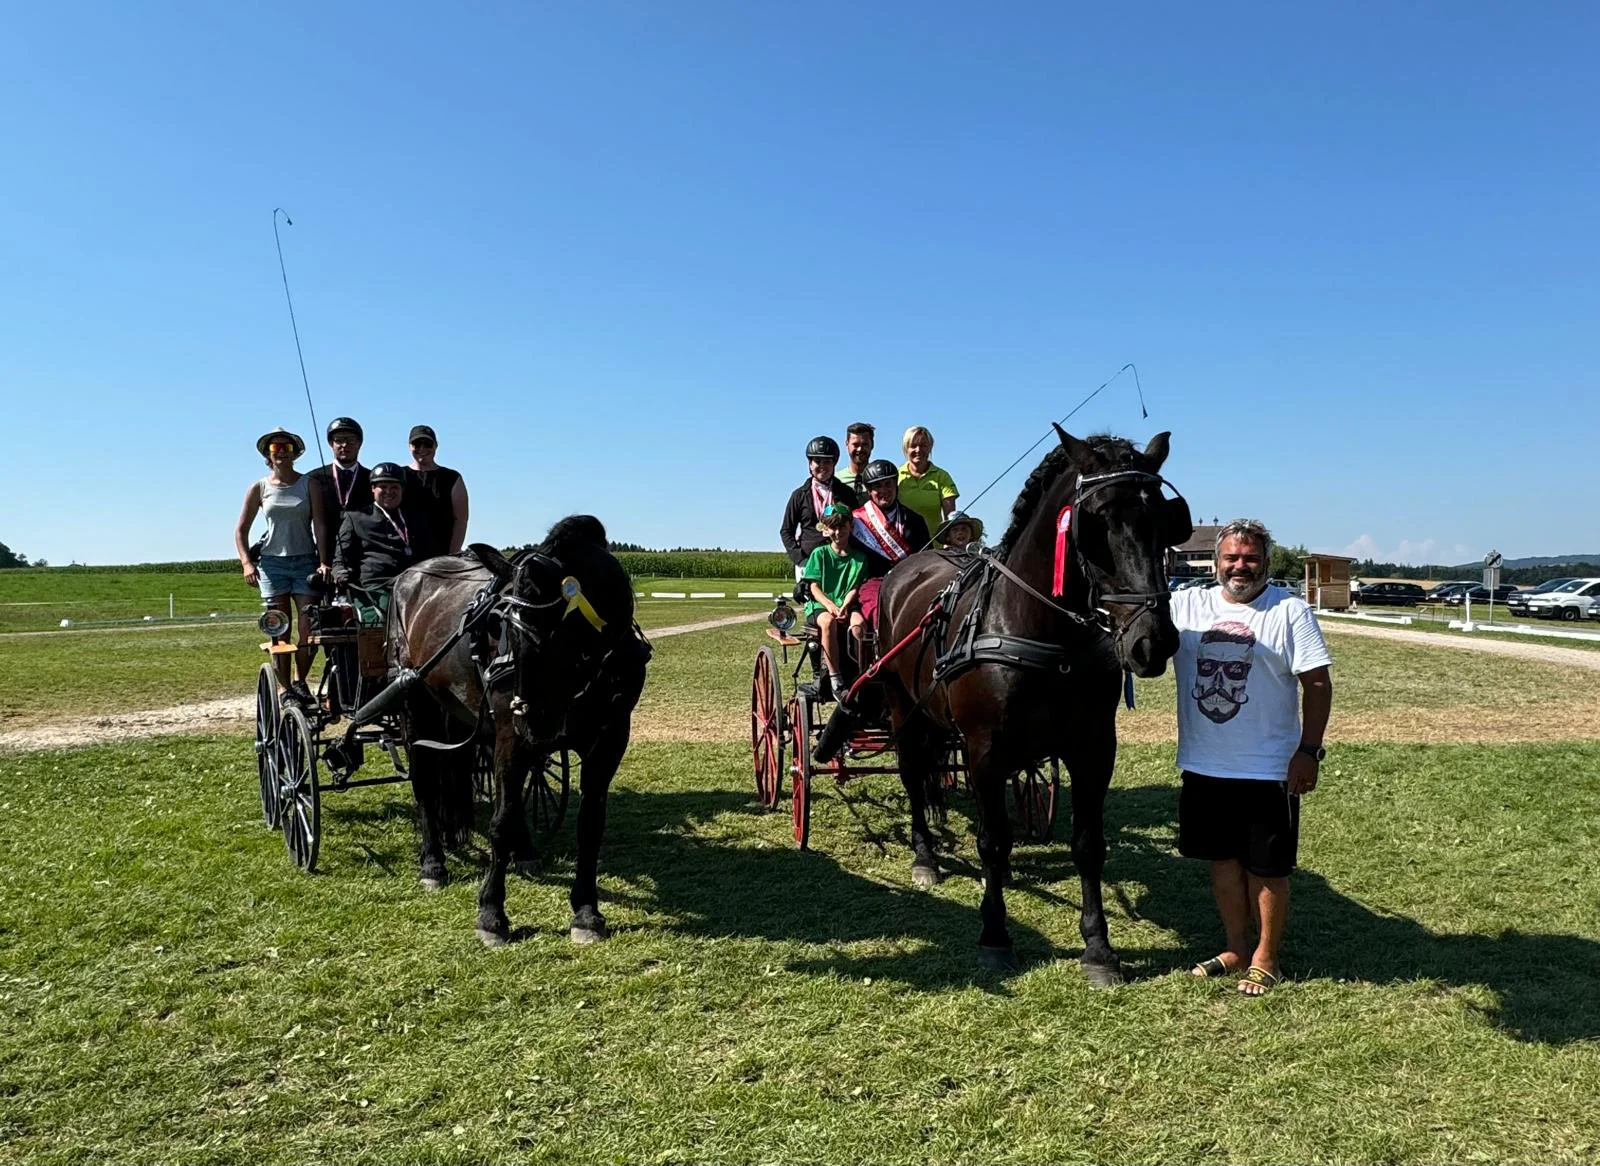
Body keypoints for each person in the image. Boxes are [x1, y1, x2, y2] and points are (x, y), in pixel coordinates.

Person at [1172, 518, 1333, 996]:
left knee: (1269, 869)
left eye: (1250, 558)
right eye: (1231, 558)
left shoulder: (1289, 612)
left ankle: (1267, 956)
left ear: (1265, 561)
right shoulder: (1187, 605)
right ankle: (1235, 947)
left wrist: (1308, 751)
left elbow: (1318, 684)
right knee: (1221, 862)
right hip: (1204, 763)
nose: (1240, 566)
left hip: (1267, 767)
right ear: (1217, 562)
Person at [234, 426, 329, 696]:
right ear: (268, 454)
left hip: (305, 563)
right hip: (272, 565)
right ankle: (284, 687)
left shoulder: (309, 484)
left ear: (295, 453)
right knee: (280, 630)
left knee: (308, 630)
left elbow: (321, 525)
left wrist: (323, 561)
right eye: (276, 449)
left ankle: (300, 682)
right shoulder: (259, 488)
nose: (281, 454)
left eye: (286, 448)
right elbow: (240, 530)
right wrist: (246, 563)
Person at [850, 458, 930, 626]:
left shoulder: (915, 520)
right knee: (881, 615)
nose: (884, 490)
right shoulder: (856, 522)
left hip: (910, 582)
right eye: (877, 486)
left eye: (888, 484)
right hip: (873, 584)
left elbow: (927, 559)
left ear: (896, 486)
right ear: (869, 491)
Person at [333, 462, 418, 618]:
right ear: (373, 488)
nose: (389, 492)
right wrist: (340, 573)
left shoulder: (415, 519)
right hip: (376, 586)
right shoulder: (355, 518)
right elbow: (340, 560)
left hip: (413, 583)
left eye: (394, 488)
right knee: (386, 616)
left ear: (402, 490)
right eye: (383, 487)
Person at [801, 503, 868, 700]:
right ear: (826, 529)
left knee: (860, 625)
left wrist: (845, 605)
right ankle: (835, 678)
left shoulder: (860, 558)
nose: (838, 532)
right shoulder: (819, 554)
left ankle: (861, 675)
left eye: (842, 526)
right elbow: (814, 586)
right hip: (821, 605)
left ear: (850, 527)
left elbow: (855, 587)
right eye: (833, 527)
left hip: (847, 603)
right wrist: (831, 606)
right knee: (827, 622)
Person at [779, 435, 858, 579]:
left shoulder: (846, 493)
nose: (822, 466)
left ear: (834, 463)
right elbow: (786, 531)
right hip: (809, 562)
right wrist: (800, 560)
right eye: (817, 461)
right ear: (810, 464)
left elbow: (856, 526)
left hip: (841, 560)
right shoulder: (799, 495)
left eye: (827, 461)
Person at [305, 416, 373, 552]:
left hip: (363, 553)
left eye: (351, 440)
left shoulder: (372, 479)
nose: (345, 445)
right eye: (339, 440)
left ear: (359, 443)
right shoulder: (313, 479)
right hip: (323, 554)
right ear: (331, 443)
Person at [404, 425, 469, 557]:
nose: (422, 449)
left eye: (428, 444)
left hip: (441, 554)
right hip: (404, 553)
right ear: (409, 446)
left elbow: (461, 520)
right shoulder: (399, 475)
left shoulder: (452, 478)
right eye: (417, 444)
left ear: (436, 446)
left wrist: (453, 553)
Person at [897, 426, 959, 543]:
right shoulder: (897, 476)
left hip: (933, 549)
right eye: (913, 446)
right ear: (906, 448)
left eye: (923, 445)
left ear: (930, 447)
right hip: (902, 547)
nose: (918, 450)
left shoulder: (942, 476)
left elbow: (950, 518)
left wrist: (949, 545)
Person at [834, 422, 876, 494]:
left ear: (872, 445)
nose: (860, 449)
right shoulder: (836, 480)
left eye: (864, 444)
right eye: (855, 445)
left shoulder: (879, 480)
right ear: (847, 444)